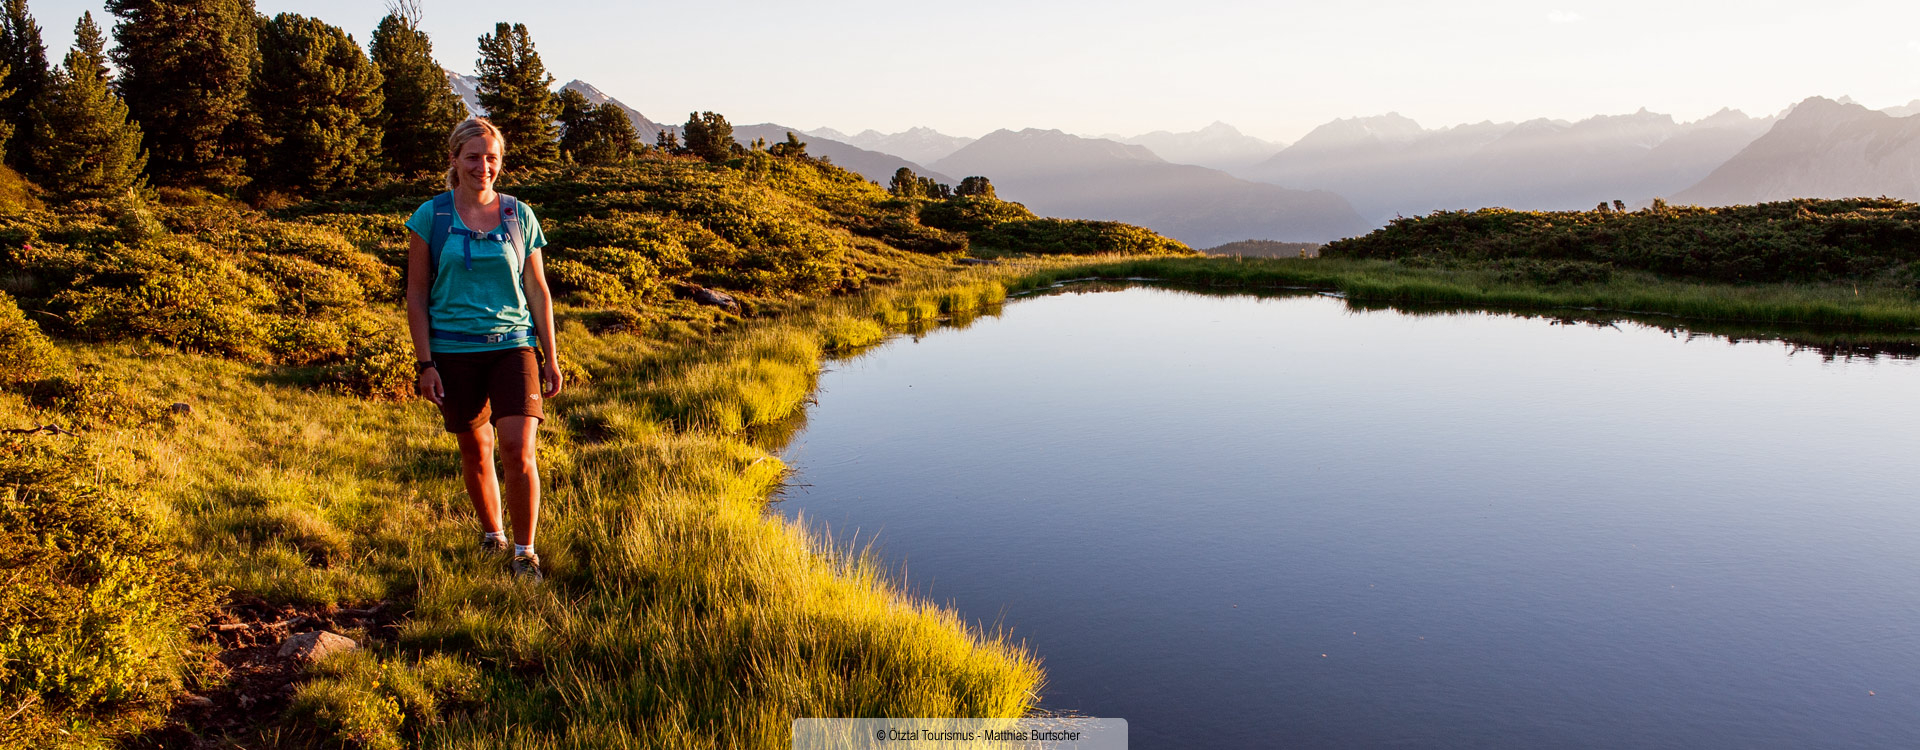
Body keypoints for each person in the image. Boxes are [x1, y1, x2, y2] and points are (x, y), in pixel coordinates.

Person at [405, 117, 562, 581]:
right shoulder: (430, 216)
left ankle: (524, 551)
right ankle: (493, 535)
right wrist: (426, 362)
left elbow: (537, 290)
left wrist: (550, 356)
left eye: (491, 157)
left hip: (514, 346)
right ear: (454, 160)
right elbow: (416, 294)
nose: (483, 166)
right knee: (476, 450)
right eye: (473, 157)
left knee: (518, 447)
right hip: (453, 351)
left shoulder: (519, 215)